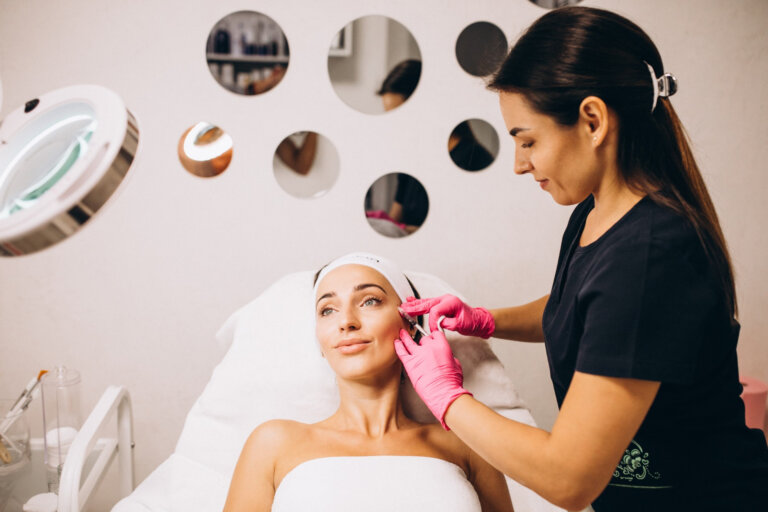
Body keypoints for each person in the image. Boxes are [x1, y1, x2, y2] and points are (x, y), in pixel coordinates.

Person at [396, 6, 768, 511]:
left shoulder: (652, 255)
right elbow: (587, 308)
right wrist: (485, 320)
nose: (519, 164)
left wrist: (447, 397)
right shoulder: (596, 214)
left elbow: (568, 479)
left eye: (528, 140)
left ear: (593, 120)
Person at [222, 253, 513, 512]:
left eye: (369, 301)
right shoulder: (273, 443)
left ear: (411, 324)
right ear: (319, 341)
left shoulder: (468, 442)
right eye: (327, 310)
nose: (346, 321)